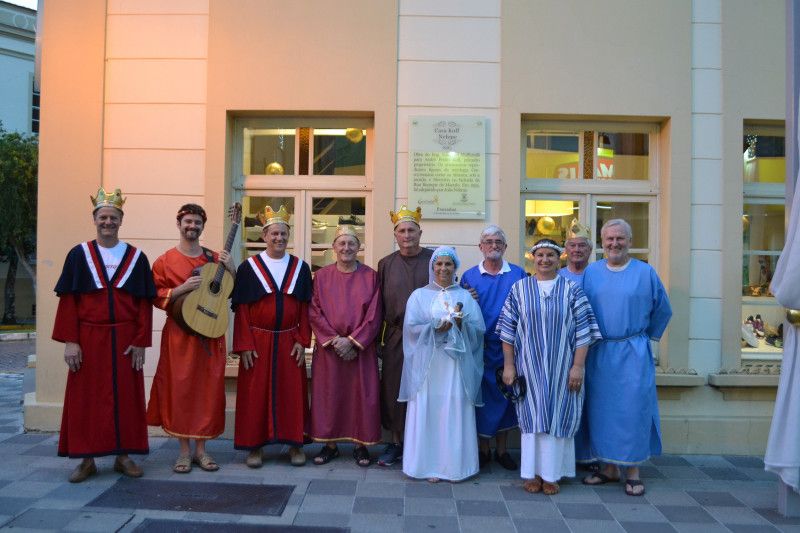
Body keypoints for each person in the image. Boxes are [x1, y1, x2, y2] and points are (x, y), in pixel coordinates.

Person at [53, 188, 155, 482]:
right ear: (94, 219)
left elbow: (143, 305)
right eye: (103, 217)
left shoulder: (136, 258)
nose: (107, 222)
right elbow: (69, 301)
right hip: (88, 339)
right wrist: (71, 341)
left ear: (121, 220)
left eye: (113, 217)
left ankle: (123, 456)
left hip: (125, 339)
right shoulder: (78, 255)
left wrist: (140, 342)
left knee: (126, 397)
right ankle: (86, 459)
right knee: (85, 399)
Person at [498, 238, 601, 494]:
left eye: (550, 255)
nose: (545, 260)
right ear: (533, 258)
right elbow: (507, 331)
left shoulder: (572, 290)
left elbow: (584, 332)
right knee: (532, 418)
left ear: (560, 258)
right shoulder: (519, 289)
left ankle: (553, 474)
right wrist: (509, 366)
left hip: (562, 368)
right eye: (540, 255)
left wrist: (578, 367)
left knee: (557, 417)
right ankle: (532, 473)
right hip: (528, 368)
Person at [580, 219, 672, 497]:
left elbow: (662, 309)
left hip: (633, 352)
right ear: (601, 242)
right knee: (602, 410)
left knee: (632, 411)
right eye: (609, 239)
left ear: (629, 241)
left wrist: (646, 340)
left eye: (620, 238)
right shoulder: (592, 272)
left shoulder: (645, 273)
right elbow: (580, 309)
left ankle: (632, 471)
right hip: (599, 352)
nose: (614, 244)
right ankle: (608, 468)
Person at [146, 204, 235, 474]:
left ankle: (202, 450)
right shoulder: (165, 260)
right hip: (179, 336)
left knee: (207, 392)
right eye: (188, 221)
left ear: (203, 226)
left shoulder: (214, 258)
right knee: (180, 390)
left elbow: (227, 293)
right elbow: (154, 294)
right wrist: (180, 289)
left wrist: (232, 268)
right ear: (179, 223)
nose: (192, 226)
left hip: (209, 336)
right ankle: (184, 452)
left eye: (197, 222)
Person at [231, 205, 312, 468]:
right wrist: (243, 344)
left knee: (292, 393)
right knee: (255, 394)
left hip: (289, 340)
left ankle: (294, 444)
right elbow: (241, 309)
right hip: (258, 341)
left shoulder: (300, 268)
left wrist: (302, 340)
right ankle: (254, 447)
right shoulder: (248, 268)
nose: (279, 238)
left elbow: (304, 308)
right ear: (264, 236)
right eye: (274, 233)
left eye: (283, 234)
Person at [399, 246, 485, 482]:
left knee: (452, 409)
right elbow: (411, 329)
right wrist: (434, 327)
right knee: (429, 410)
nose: (443, 268)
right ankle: (427, 466)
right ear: (432, 267)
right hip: (429, 365)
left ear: (455, 267)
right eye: (439, 264)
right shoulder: (418, 296)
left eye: (448, 264)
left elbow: (479, 331)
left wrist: (460, 325)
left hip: (454, 365)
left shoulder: (465, 297)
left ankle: (454, 466)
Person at [309, 225, 383, 466]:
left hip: (360, 350)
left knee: (360, 396)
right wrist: (334, 340)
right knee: (329, 396)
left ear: (358, 247)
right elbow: (314, 311)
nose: (346, 248)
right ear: (333, 248)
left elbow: (374, 315)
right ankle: (329, 445)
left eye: (351, 243)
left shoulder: (371, 276)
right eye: (341, 243)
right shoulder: (320, 277)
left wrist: (353, 341)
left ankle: (360, 445)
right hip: (330, 349)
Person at [460, 225, 526, 470]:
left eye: (498, 241)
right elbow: (461, 311)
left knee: (507, 397)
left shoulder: (518, 274)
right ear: (480, 247)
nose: (493, 245)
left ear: (505, 247)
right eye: (488, 241)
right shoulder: (469, 276)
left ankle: (502, 450)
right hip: (480, 347)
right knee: (482, 397)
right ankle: (483, 449)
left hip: (509, 348)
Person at [376, 205, 433, 466]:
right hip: (397, 336)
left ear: (420, 232)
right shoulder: (386, 264)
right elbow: (378, 305)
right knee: (393, 389)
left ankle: (423, 442)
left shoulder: (434, 260)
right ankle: (396, 443)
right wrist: (378, 341)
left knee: (426, 389)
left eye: (412, 230)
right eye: (402, 230)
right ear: (395, 235)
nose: (407, 235)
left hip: (430, 338)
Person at [558, 219, 593, 285]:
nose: (577, 250)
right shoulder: (556, 277)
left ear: (590, 249)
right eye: (572, 245)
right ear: (566, 249)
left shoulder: (599, 276)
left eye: (582, 245)